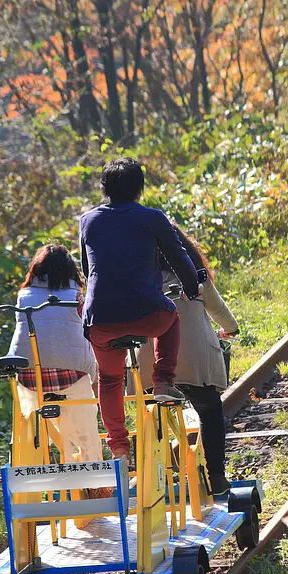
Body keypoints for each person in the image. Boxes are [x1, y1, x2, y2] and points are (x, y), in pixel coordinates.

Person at [80, 157, 200, 460]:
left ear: (105, 188)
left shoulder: (88, 220)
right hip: (147, 314)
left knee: (109, 379)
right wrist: (191, 287)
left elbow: (86, 269)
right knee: (171, 316)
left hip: (100, 320)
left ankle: (118, 444)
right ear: (139, 188)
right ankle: (163, 380)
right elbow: (179, 257)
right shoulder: (153, 218)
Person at [138, 225, 238, 498]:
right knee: (209, 411)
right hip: (194, 366)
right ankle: (216, 476)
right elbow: (219, 311)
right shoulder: (194, 278)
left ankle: (157, 482)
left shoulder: (139, 282)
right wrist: (231, 329)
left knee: (152, 419)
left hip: (151, 368)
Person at [7, 244, 103, 465]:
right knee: (86, 428)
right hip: (71, 374)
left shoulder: (23, 295)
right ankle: (93, 470)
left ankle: (31, 461)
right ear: (69, 270)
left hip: (31, 376)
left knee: (29, 420)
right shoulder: (76, 295)